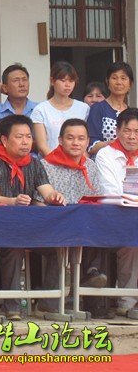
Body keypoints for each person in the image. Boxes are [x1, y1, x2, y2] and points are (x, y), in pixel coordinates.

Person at [0, 114, 66, 320]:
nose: (26, 142)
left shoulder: (34, 164)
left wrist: (55, 197)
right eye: (19, 137)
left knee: (58, 247)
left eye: (28, 136)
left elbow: (46, 191)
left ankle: (46, 304)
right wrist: (13, 201)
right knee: (14, 248)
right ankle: (12, 306)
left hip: (28, 228)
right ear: (4, 140)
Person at [38, 119, 110, 317]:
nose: (76, 143)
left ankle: (93, 295)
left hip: (83, 227)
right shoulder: (45, 165)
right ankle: (49, 303)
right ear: (60, 140)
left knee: (101, 230)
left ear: (87, 142)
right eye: (70, 138)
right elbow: (38, 200)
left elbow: (97, 197)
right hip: (54, 225)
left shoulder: (91, 166)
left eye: (81, 138)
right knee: (64, 241)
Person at [92, 108, 138, 316]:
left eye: (137, 132)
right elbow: (111, 191)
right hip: (115, 216)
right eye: (127, 131)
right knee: (132, 243)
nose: (132, 136)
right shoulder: (106, 154)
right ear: (117, 131)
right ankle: (127, 302)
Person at [31, 61, 89, 156]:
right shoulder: (41, 109)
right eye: (63, 80)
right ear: (52, 81)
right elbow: (42, 146)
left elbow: (85, 142)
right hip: (50, 161)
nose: (67, 85)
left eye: (71, 81)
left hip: (78, 161)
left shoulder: (83, 108)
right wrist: (58, 162)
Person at [88, 62, 134, 155]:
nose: (119, 82)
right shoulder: (98, 109)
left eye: (123, 78)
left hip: (128, 162)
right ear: (107, 82)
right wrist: (114, 144)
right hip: (103, 161)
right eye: (114, 78)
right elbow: (91, 145)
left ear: (130, 84)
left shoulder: (131, 114)